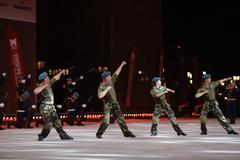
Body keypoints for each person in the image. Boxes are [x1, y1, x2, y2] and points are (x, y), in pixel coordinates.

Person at [96, 61, 136, 139]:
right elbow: (100, 96)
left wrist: (121, 65)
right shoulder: (101, 87)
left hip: (115, 104)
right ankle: (99, 133)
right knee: (106, 121)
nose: (110, 77)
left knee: (121, 119)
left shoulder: (111, 82)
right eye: (109, 76)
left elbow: (117, 73)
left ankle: (126, 133)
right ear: (105, 78)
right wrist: (107, 89)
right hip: (108, 105)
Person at [34, 70, 73, 141]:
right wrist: (44, 86)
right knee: (49, 124)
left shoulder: (49, 83)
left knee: (57, 121)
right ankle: (42, 135)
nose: (48, 77)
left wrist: (61, 72)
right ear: (45, 78)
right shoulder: (41, 85)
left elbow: (56, 78)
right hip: (45, 107)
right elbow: (35, 91)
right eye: (47, 77)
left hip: (51, 107)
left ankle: (63, 135)